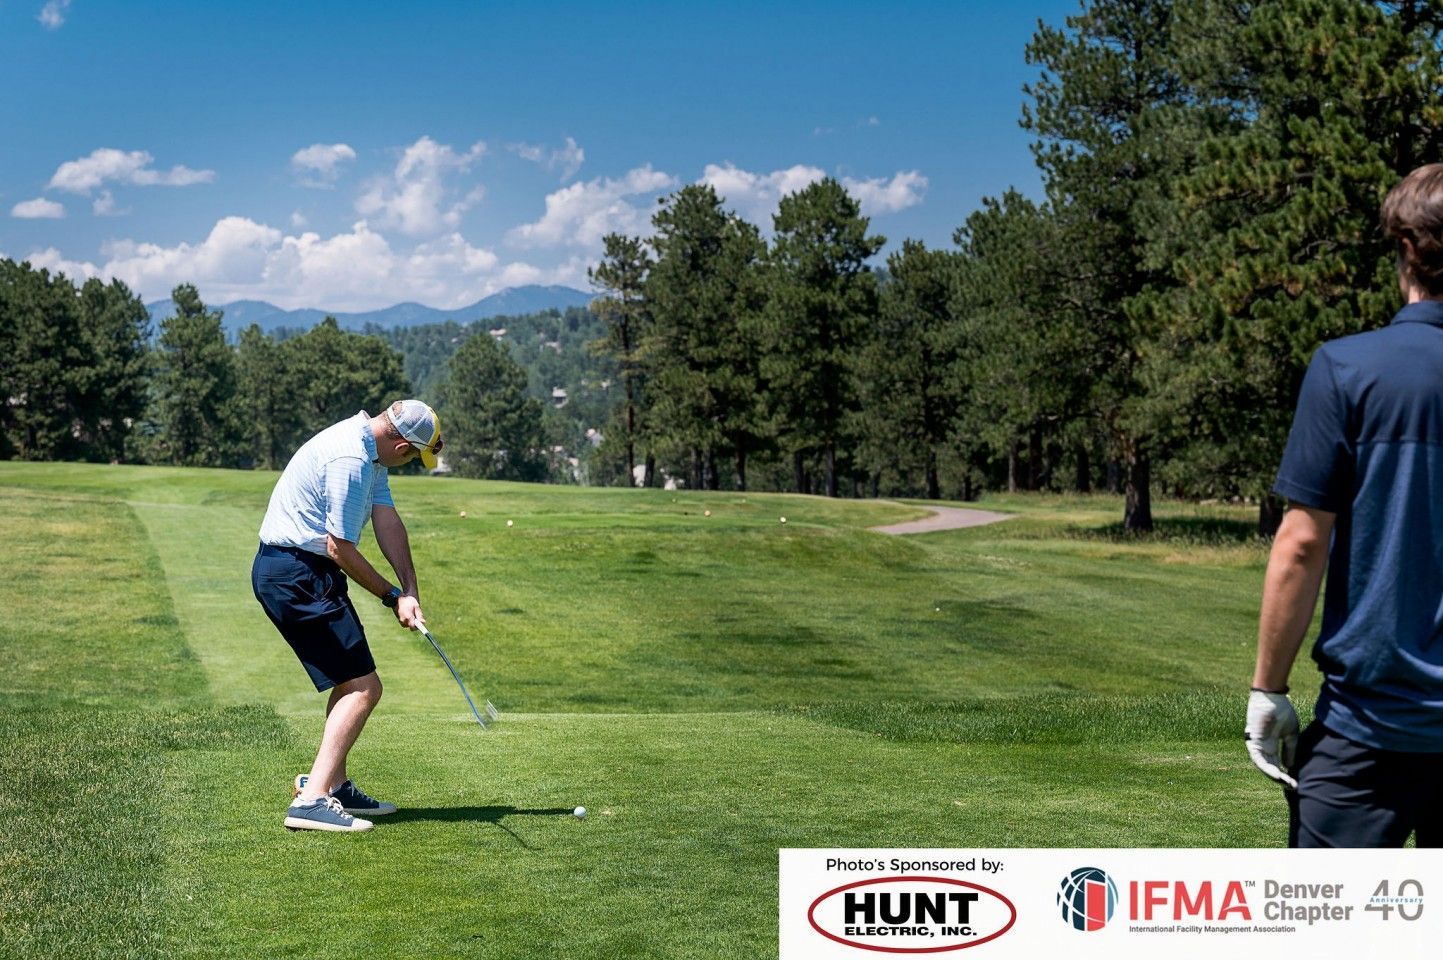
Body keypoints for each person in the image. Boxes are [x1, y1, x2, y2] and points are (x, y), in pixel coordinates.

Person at [1247, 164, 1443, 847]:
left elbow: (1301, 543)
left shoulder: (1347, 368)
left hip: (1367, 733)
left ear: (1405, 249)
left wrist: (1267, 690)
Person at [252, 399, 443, 832]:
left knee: (352, 679)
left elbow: (387, 519)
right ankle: (312, 799)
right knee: (364, 688)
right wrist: (391, 595)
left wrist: (410, 588)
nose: (410, 462)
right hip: (295, 573)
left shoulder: (371, 452)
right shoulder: (352, 458)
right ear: (400, 443)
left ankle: (331, 784)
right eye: (414, 455)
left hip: (306, 572)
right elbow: (340, 547)